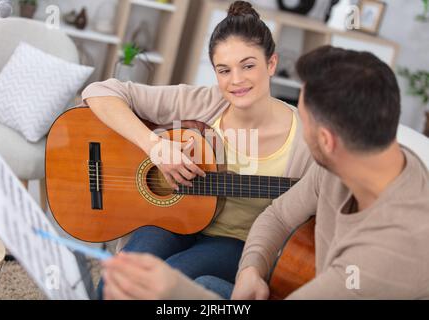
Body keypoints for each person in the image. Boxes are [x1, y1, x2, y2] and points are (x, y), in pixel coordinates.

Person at [101, 46, 429, 300]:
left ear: (327, 141)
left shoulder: (391, 250)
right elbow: (278, 216)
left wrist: (175, 290)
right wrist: (250, 269)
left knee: (188, 289)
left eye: (304, 121)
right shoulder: (349, 163)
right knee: (207, 286)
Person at [82, 1, 312, 298]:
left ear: (271, 64)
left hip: (237, 243)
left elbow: (329, 204)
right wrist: (154, 146)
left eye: (248, 65)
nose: (236, 80)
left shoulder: (306, 139)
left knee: (170, 279)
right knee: (126, 271)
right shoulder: (202, 101)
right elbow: (99, 92)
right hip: (173, 219)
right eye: (224, 70)